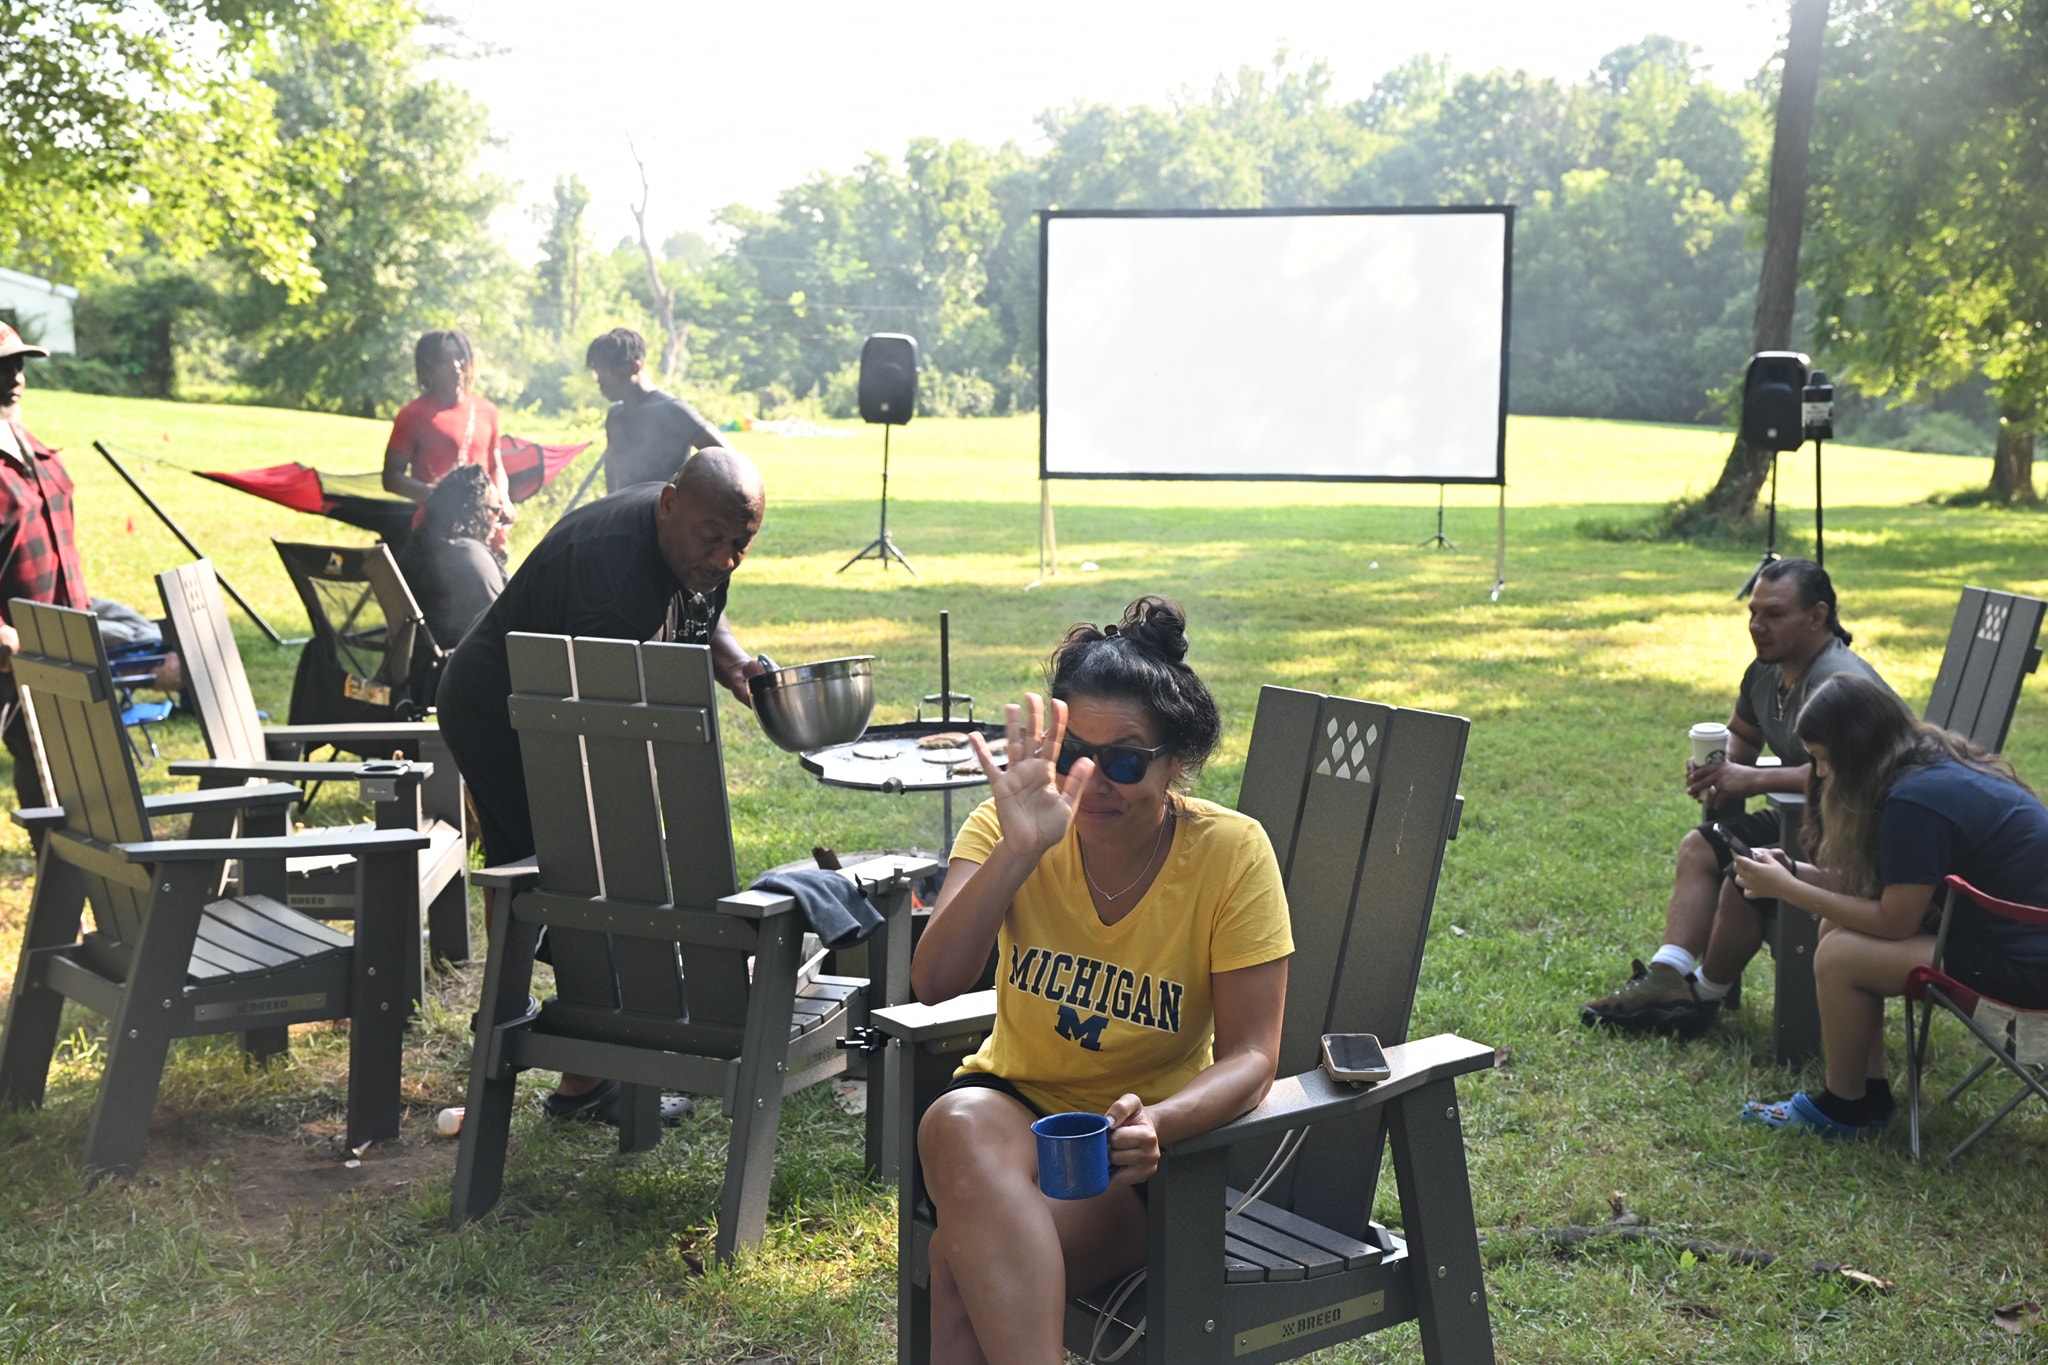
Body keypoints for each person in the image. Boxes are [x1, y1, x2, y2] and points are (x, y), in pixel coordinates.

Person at [912, 595, 1293, 1363]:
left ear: (1176, 761)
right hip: (1007, 1121)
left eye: (1124, 759)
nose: (1094, 781)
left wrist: (1162, 1120)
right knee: (952, 1119)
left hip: (1132, 1158)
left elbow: (1254, 1054)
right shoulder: (1006, 824)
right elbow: (933, 981)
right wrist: (1018, 851)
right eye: (1072, 755)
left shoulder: (1230, 854)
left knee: (958, 1264)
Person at [436, 447, 768, 1124]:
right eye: (714, 538)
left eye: (742, 543)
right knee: (573, 873)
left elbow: (704, 604)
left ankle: (575, 1069)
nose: (727, 557)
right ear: (670, 502)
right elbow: (604, 733)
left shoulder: (694, 532)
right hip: (498, 707)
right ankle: (563, 1057)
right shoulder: (611, 586)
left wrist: (731, 662)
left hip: (557, 698)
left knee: (564, 871)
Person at [1583, 558, 1893, 1034]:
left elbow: (1850, 777)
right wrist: (1719, 765)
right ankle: (1667, 974)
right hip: (1805, 817)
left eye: (1774, 614)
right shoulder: (1766, 671)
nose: (1757, 626)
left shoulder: (1839, 684)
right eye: (1752, 613)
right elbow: (1744, 735)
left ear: (1817, 615)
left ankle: (1698, 1000)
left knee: (1743, 875)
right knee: (1701, 846)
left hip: (1852, 833)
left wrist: (1753, 781)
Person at [1731, 673, 2048, 1137]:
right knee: (1836, 933)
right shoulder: (1928, 767)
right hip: (2014, 939)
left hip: (2031, 970)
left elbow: (1895, 921)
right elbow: (1891, 895)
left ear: (1856, 753)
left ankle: (1844, 1109)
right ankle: (1867, 1094)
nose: (1819, 774)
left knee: (1842, 956)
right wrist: (1795, 872)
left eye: (1822, 759)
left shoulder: (1914, 802)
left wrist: (1786, 889)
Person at [0, 322, 90, 810]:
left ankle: (57, 877)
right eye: (1, 366)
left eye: (18, 362)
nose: (14, 375)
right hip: (7, 647)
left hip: (54, 642)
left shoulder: (36, 453)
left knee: (57, 778)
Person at [382, 330, 508, 523]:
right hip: (435, 531)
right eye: (444, 360)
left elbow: (495, 466)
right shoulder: (413, 415)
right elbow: (391, 478)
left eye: (460, 357)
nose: (456, 366)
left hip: (485, 528)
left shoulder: (487, 410)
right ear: (428, 367)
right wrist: (440, 497)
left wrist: (504, 499)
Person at [586, 328, 726, 494]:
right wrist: (611, 507)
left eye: (606, 371)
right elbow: (612, 469)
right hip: (628, 514)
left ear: (634, 367)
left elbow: (727, 459)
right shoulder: (615, 416)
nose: (600, 380)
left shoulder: (674, 411)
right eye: (597, 371)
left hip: (665, 514)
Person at [397, 464, 508, 652]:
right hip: (462, 669)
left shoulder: (424, 547)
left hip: (424, 668)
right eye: (495, 510)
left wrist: (496, 557)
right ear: (479, 511)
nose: (497, 519)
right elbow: (507, 624)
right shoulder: (470, 556)